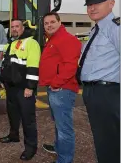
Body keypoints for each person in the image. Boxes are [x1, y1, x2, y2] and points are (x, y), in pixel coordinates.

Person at [77, 0, 120, 163]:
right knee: (102, 138)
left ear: (111, 3)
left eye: (97, 3)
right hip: (93, 92)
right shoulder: (95, 30)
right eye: (89, 4)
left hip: (107, 92)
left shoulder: (115, 27)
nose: (92, 8)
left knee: (109, 140)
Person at [39, 12, 82, 163]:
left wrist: (56, 83)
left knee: (64, 128)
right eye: (46, 23)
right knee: (59, 123)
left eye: (52, 22)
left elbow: (70, 66)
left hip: (62, 89)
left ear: (59, 22)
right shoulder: (54, 39)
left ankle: (65, 159)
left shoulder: (66, 39)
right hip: (56, 88)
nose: (49, 25)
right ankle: (59, 148)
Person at [0, 19, 40, 161]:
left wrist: (30, 87)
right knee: (13, 114)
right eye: (12, 27)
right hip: (11, 88)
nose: (14, 29)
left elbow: (33, 67)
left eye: (17, 26)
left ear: (23, 28)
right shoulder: (10, 44)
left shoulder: (31, 43)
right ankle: (13, 135)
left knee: (28, 119)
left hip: (24, 89)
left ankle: (31, 148)